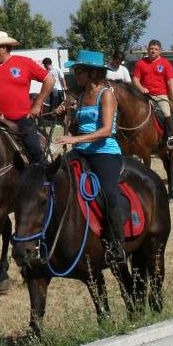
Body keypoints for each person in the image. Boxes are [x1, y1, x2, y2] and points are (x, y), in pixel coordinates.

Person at [55, 50, 127, 264]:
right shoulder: (82, 95)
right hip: (83, 149)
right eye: (76, 70)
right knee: (55, 177)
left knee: (109, 192)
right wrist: (63, 119)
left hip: (104, 151)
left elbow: (106, 130)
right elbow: (78, 127)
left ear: (93, 72)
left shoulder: (106, 94)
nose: (76, 74)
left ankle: (116, 243)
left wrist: (75, 140)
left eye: (80, 70)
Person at [0, 31, 55, 165]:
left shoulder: (24, 63)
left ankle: (45, 174)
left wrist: (37, 104)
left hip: (21, 120)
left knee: (34, 149)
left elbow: (49, 80)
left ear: (3, 48)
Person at [133, 39, 173, 149]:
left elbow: (170, 81)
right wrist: (141, 88)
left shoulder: (165, 63)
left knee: (166, 113)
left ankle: (171, 138)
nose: (153, 51)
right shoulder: (140, 63)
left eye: (156, 49)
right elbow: (135, 80)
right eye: (151, 49)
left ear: (160, 51)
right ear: (147, 49)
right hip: (143, 95)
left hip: (160, 95)